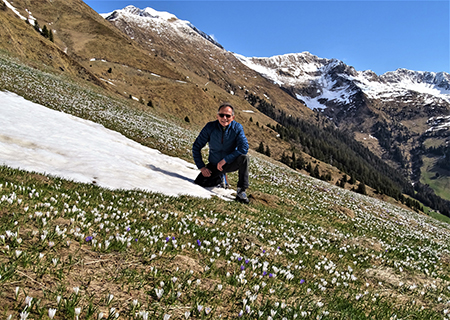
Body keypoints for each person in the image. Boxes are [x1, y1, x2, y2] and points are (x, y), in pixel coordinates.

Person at [192, 102, 250, 203]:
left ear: (233, 117)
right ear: (217, 116)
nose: (224, 118)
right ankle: (220, 178)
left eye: (228, 116)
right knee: (200, 182)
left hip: (229, 163)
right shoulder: (210, 127)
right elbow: (196, 146)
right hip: (214, 164)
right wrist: (202, 167)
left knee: (244, 158)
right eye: (221, 115)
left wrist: (225, 160)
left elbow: (244, 147)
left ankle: (241, 190)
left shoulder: (237, 128)